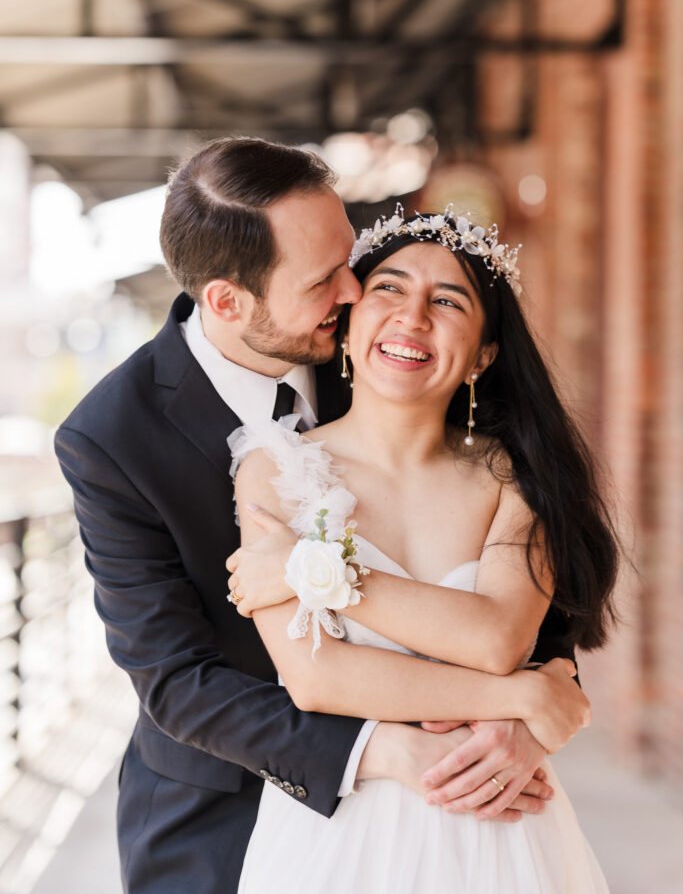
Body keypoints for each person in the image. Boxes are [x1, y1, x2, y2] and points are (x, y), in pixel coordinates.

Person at [55, 138, 587, 894]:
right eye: (323, 279)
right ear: (229, 301)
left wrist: (536, 695)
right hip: (219, 807)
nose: (354, 288)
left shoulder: (384, 352)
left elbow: (528, 556)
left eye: (348, 258)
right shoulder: (111, 438)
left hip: (471, 782)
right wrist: (392, 752)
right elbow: (178, 681)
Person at [226, 210, 619, 892]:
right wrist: (526, 696)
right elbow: (317, 678)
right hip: (339, 830)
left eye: (447, 301)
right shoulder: (277, 468)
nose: (412, 317)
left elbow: (498, 635)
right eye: (388, 289)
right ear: (347, 322)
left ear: (483, 355)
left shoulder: (516, 478)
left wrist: (311, 569)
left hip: (497, 818)